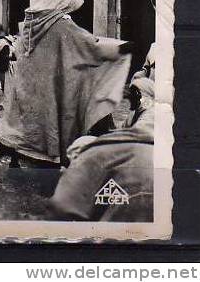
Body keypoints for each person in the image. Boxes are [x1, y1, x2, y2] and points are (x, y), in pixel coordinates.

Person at [0, 0, 132, 166]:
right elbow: (88, 45)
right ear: (67, 4)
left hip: (30, 83)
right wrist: (119, 48)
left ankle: (17, 157)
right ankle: (49, 162)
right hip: (51, 85)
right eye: (72, 8)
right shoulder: (61, 25)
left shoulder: (32, 23)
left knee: (29, 122)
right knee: (52, 121)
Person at [47, 77, 154, 221]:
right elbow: (120, 133)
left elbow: (60, 209)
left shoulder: (151, 113)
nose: (131, 100)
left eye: (135, 95)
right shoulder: (137, 114)